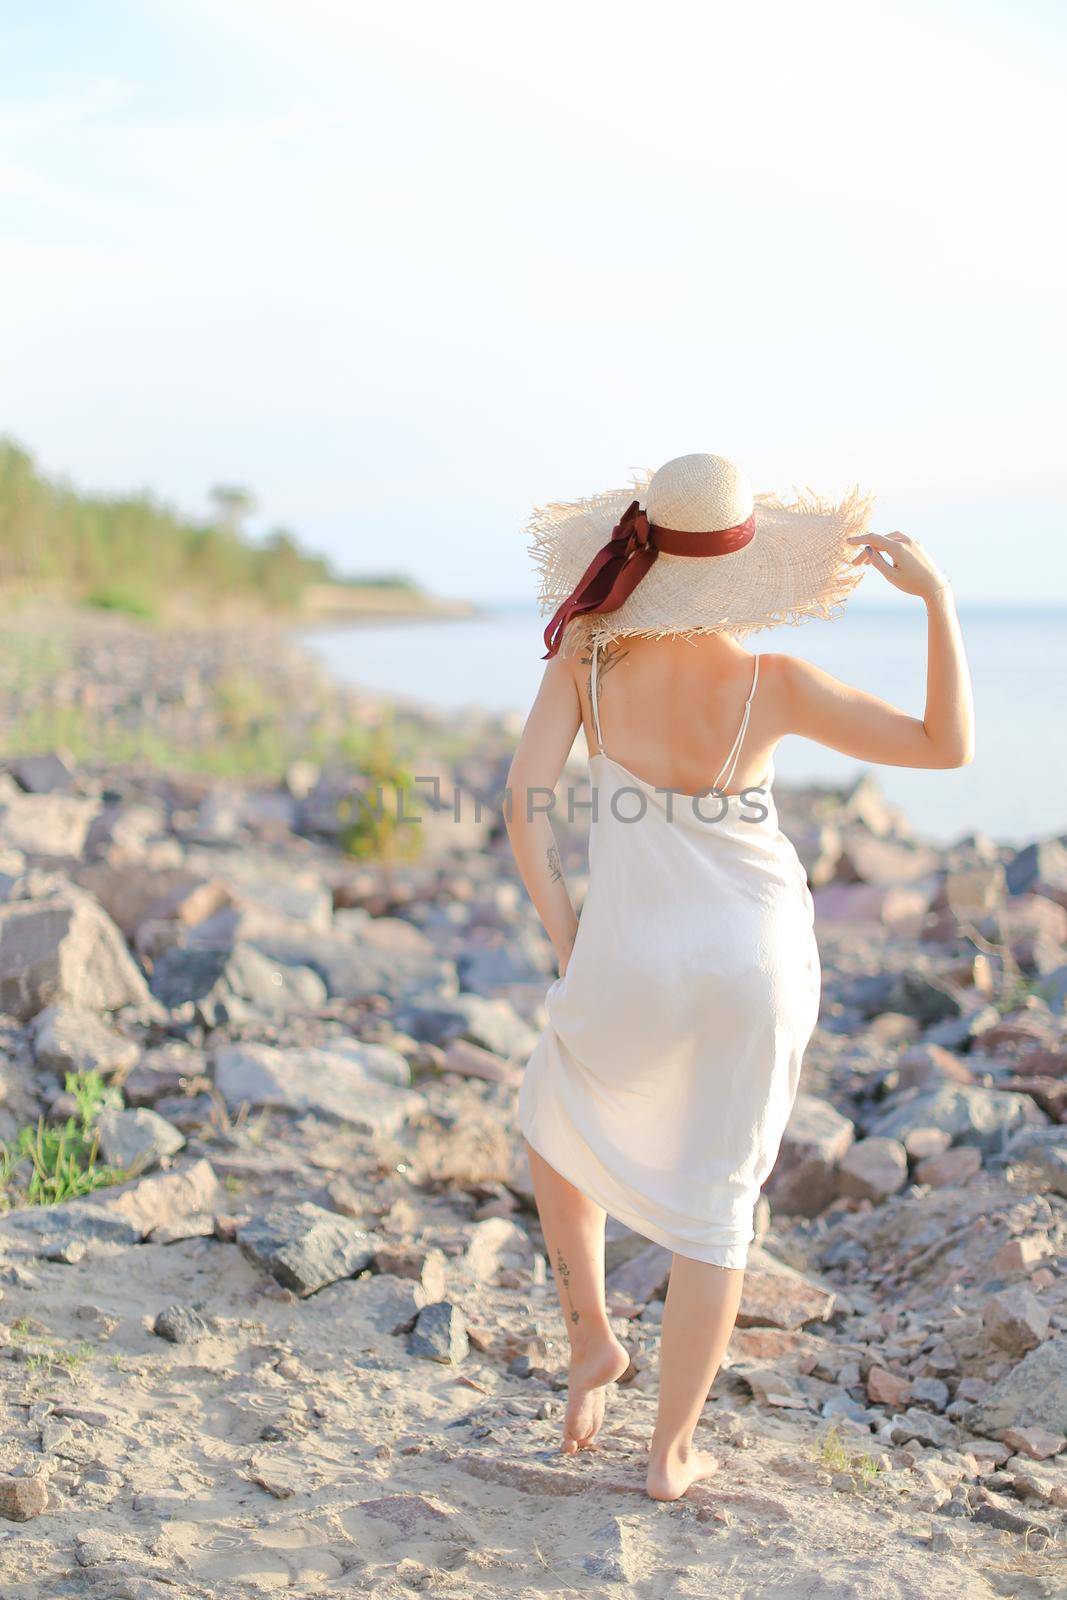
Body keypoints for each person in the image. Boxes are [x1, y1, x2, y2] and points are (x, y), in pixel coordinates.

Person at [504, 452, 974, 1501]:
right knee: (717, 1202)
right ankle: (669, 1453)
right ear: (739, 574)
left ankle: (590, 1336)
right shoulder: (772, 682)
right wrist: (936, 600)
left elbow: (518, 802)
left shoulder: (586, 651)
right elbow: (946, 746)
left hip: (626, 951)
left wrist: (566, 936)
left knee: (553, 1114)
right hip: (752, 957)